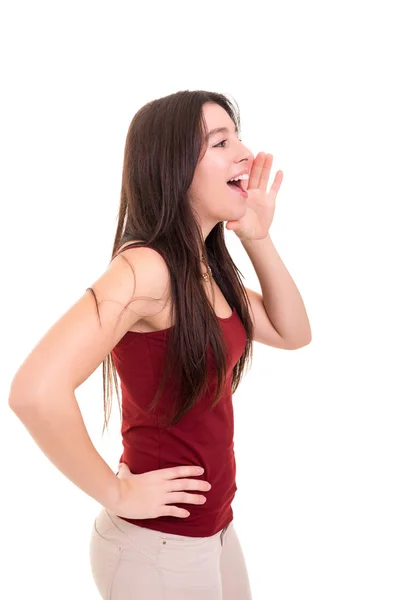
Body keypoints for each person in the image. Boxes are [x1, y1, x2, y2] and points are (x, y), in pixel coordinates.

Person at [8, 89, 311, 599]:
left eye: (237, 136)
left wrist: (256, 236)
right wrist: (115, 490)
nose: (243, 153)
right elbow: (34, 391)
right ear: (173, 168)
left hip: (212, 531)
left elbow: (293, 333)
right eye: (219, 142)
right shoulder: (146, 268)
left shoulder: (206, 266)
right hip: (157, 548)